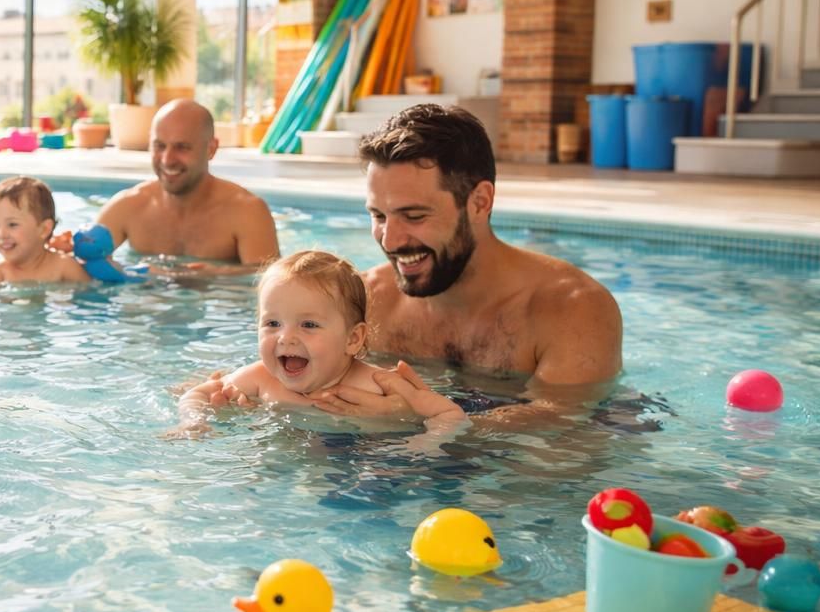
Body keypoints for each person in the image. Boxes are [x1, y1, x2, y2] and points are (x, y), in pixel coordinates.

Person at [312, 104, 623, 420]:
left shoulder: (571, 310)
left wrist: (418, 422)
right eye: (378, 216)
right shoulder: (367, 300)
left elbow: (569, 438)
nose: (390, 241)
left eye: (415, 216)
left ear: (479, 202)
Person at [177, 250, 464, 433]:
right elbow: (196, 395)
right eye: (272, 323)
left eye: (309, 325)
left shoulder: (378, 384)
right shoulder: (260, 378)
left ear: (353, 339)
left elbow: (450, 414)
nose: (286, 337)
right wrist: (195, 422)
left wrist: (424, 445)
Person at [84, 99, 279, 270]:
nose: (167, 160)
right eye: (159, 146)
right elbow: (81, 264)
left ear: (211, 149)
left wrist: (216, 276)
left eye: (182, 147)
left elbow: (272, 283)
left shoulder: (247, 211)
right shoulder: (127, 207)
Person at [0, 176, 91, 285]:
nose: (1, 234)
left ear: (44, 229)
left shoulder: (64, 266)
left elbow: (90, 292)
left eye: (12, 224)